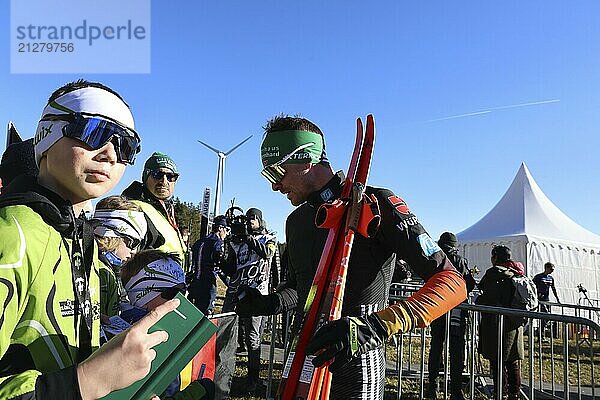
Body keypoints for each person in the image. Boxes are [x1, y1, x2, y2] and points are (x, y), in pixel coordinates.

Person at [236, 115, 466, 399]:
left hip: (359, 355)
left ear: (306, 160)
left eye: (276, 173)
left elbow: (453, 282)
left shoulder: (376, 203)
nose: (274, 186)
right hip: (307, 348)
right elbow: (302, 288)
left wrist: (378, 326)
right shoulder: (296, 221)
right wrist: (269, 303)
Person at [0, 79, 180, 399]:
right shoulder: (11, 235)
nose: (110, 153)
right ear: (47, 134)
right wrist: (90, 380)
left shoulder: (84, 246)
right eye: (93, 131)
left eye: (126, 145)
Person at [121, 249, 215, 400]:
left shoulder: (161, 328)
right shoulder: (143, 339)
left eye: (184, 292)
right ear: (143, 294)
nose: (181, 300)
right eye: (173, 293)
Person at [223, 207, 277, 393]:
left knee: (253, 337)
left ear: (260, 220)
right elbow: (231, 268)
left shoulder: (268, 238)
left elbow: (267, 254)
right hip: (236, 293)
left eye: (253, 218)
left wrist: (248, 239)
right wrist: (222, 261)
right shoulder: (237, 242)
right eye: (248, 218)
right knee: (228, 332)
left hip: (256, 295)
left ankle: (253, 378)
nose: (250, 221)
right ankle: (224, 374)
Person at [426, 232, 476, 400]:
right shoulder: (460, 261)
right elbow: (468, 284)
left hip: (436, 309)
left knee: (436, 347)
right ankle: (455, 390)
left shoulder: (434, 259)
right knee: (456, 351)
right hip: (455, 311)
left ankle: (432, 386)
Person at [122, 151, 187, 267]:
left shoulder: (165, 211)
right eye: (158, 174)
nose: (164, 181)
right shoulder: (133, 208)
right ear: (146, 177)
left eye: (171, 176)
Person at [476, 245, 524, 400]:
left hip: (496, 323)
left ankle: (499, 393)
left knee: (497, 361)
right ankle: (514, 393)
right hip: (514, 323)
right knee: (512, 361)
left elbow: (488, 296)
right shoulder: (516, 271)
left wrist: (478, 300)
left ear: (495, 257)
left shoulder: (494, 273)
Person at [91, 195, 148, 322]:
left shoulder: (111, 268)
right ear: (112, 236)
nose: (134, 251)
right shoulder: (98, 271)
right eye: (132, 242)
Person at [188, 215, 235, 315]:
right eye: (226, 230)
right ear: (220, 228)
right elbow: (219, 265)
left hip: (195, 282)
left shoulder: (199, 242)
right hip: (208, 283)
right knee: (206, 315)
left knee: (194, 313)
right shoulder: (217, 243)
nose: (226, 234)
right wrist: (229, 282)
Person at [533, 261, 560, 338]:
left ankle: (541, 334)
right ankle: (540, 335)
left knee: (545, 318)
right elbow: (532, 286)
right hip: (540, 300)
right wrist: (536, 295)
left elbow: (553, 288)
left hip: (547, 299)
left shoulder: (551, 278)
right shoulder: (538, 277)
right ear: (546, 268)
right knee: (545, 315)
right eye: (551, 269)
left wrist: (557, 298)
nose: (552, 271)